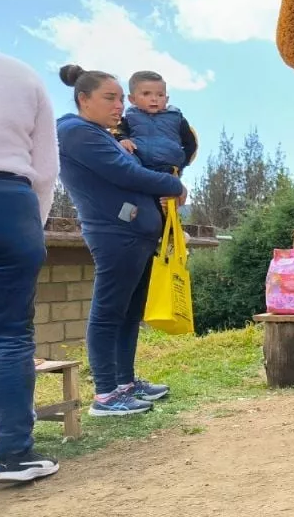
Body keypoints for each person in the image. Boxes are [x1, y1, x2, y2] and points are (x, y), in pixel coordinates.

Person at [57, 65, 187, 418]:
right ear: (84, 99)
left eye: (118, 99)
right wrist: (173, 186)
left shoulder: (103, 134)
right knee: (108, 311)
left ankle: (125, 383)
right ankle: (105, 394)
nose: (118, 107)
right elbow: (125, 172)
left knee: (129, 313)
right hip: (115, 235)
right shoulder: (76, 132)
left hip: (138, 235)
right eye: (109, 98)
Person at [0, 43, 60, 482]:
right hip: (4, 202)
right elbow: (45, 168)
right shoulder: (20, 73)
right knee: (8, 336)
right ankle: (15, 455)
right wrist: (32, 223)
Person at [115, 70, 198, 175]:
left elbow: (191, 142)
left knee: (168, 189)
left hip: (167, 168)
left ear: (167, 99)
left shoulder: (176, 117)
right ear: (132, 99)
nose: (154, 99)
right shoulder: (130, 117)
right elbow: (116, 131)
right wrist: (122, 139)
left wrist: (181, 163)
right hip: (136, 165)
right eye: (146, 94)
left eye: (160, 95)